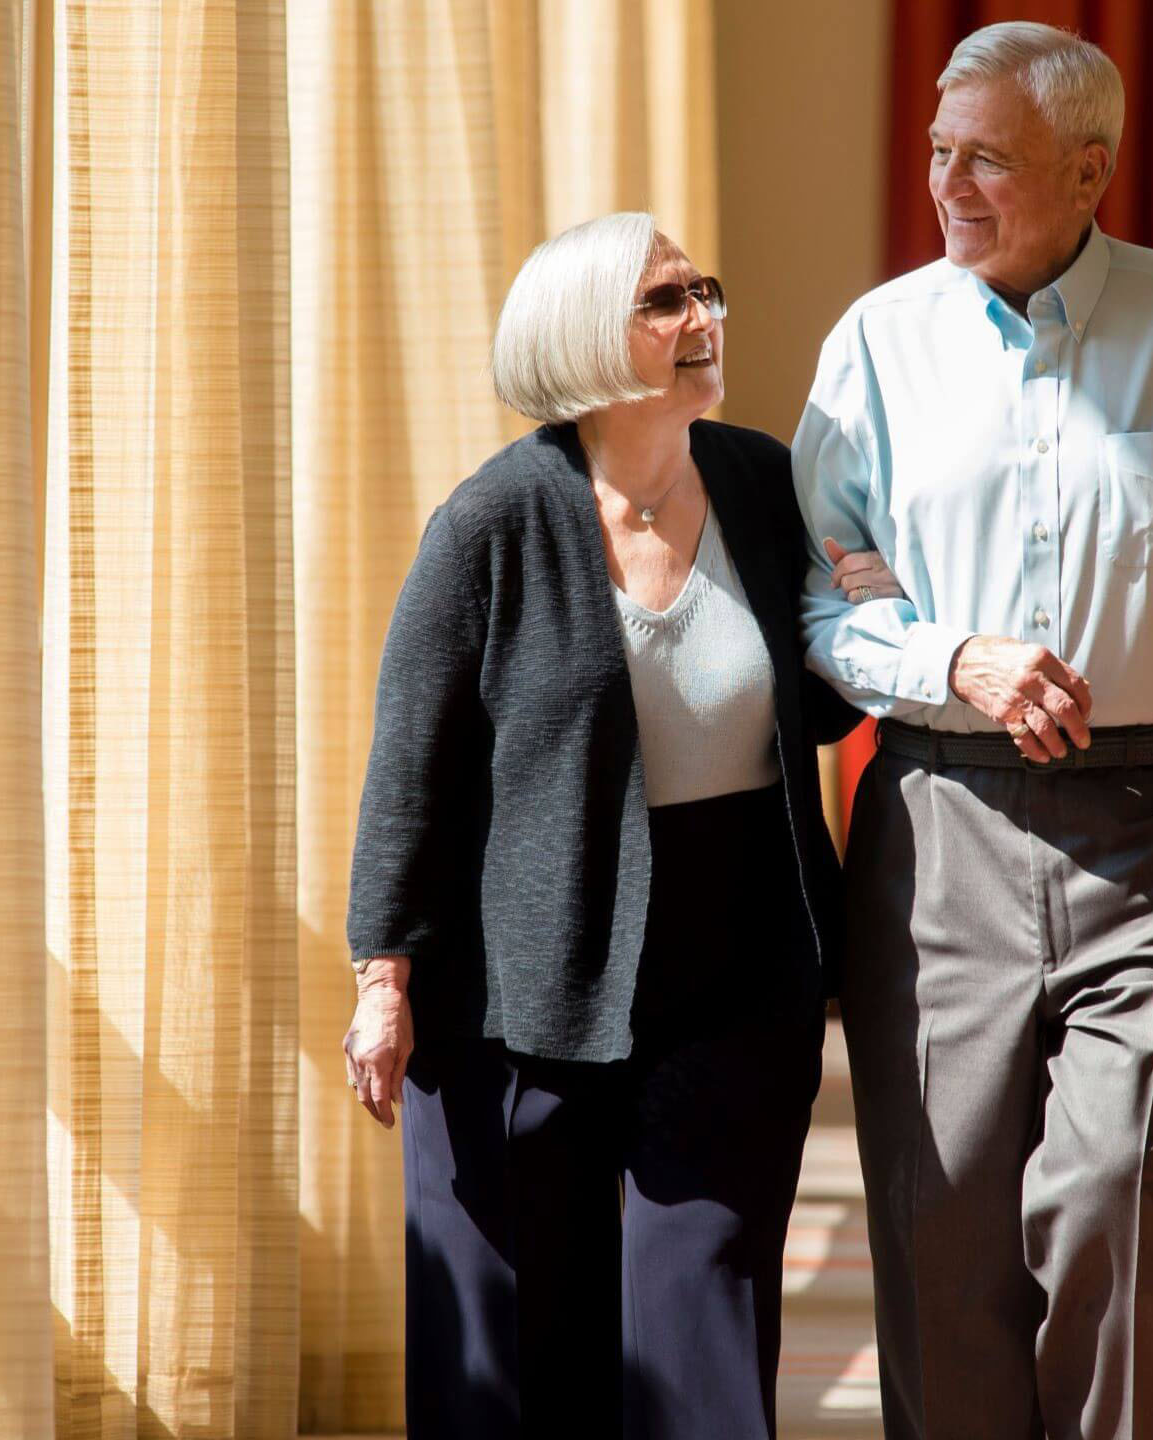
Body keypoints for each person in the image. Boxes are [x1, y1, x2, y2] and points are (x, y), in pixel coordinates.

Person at [794, 22, 1153, 1440]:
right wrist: (954, 658)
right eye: (939, 152)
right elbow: (821, 596)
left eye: (989, 156)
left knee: (1105, 1195)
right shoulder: (877, 345)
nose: (950, 184)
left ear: (1092, 168)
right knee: (942, 1243)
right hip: (943, 830)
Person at [342, 210, 871, 1440]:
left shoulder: (758, 479)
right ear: (585, 340)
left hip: (735, 953)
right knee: (527, 1349)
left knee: (708, 1310)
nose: (704, 319)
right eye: (664, 301)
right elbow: (410, 770)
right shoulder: (491, 524)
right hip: (523, 974)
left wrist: (867, 622)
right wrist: (384, 976)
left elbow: (805, 707)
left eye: (705, 291)